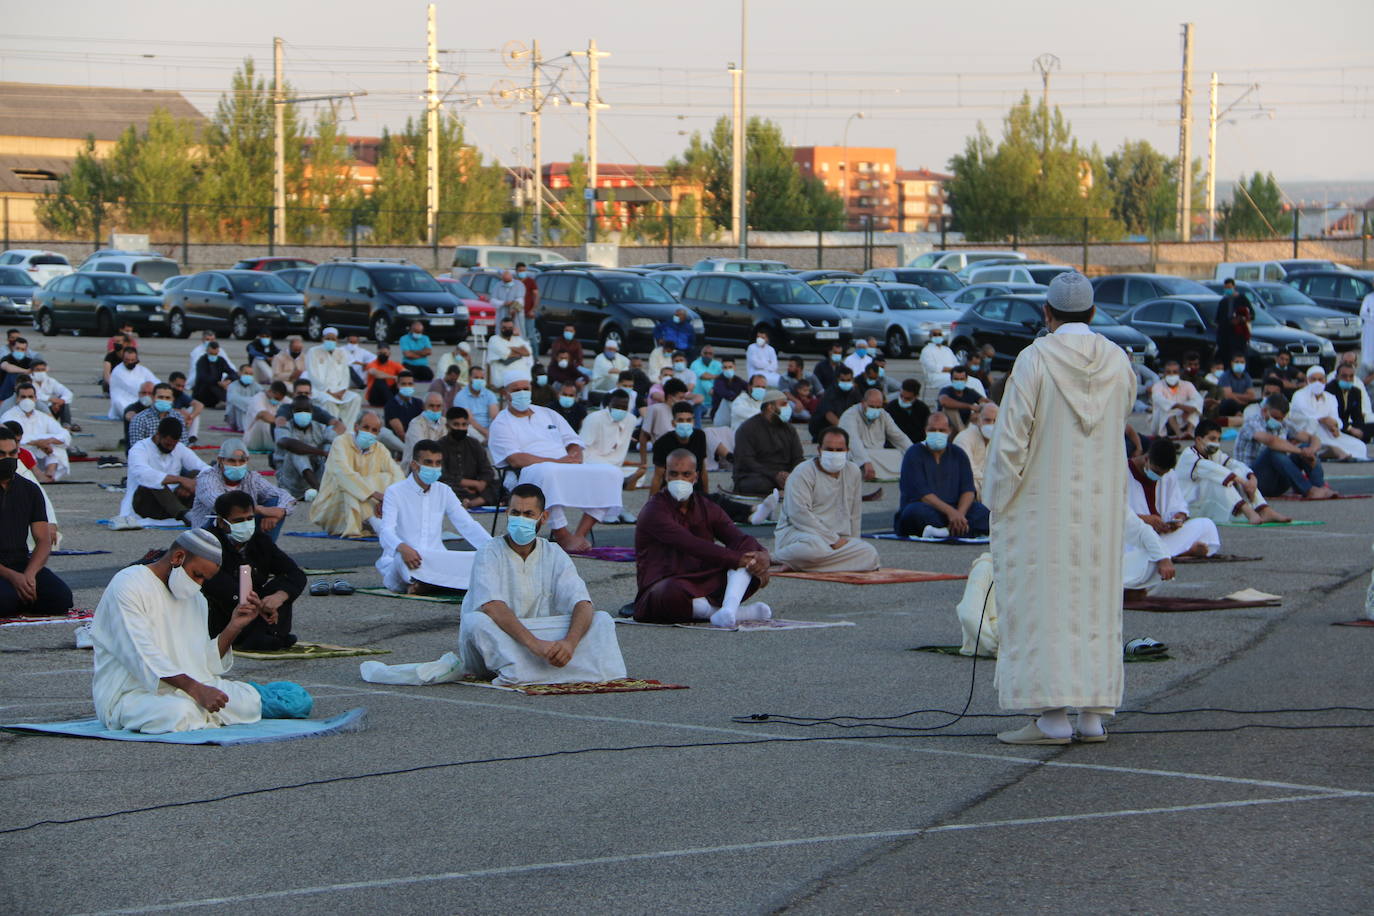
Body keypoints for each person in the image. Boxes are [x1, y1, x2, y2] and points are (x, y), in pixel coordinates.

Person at [981, 270, 1138, 745]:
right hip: (1099, 509)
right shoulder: (1117, 360)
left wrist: (997, 500)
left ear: (1046, 314)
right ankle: (1092, 714)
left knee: (1044, 607)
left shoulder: (1034, 359)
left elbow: (1010, 441)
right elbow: (1122, 416)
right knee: (1094, 607)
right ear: (1092, 314)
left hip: (1042, 509)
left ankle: (1051, 717)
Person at [90, 529, 294, 733]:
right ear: (178, 557)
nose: (199, 584)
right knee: (180, 712)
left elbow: (202, 662)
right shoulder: (129, 585)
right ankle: (200, 713)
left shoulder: (196, 598)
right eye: (197, 575)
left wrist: (234, 626)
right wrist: (197, 690)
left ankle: (201, 713)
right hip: (132, 694)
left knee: (248, 703)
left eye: (205, 579)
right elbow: (139, 653)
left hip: (188, 688)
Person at [458, 484, 626, 685]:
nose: (521, 519)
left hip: (538, 636)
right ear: (507, 513)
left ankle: (531, 671)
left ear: (543, 517)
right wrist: (535, 645)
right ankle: (546, 671)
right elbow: (492, 606)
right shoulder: (489, 551)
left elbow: (582, 602)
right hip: (503, 636)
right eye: (516, 513)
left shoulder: (553, 552)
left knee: (602, 620)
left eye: (529, 514)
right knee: (475, 622)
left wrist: (570, 644)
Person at [633, 449, 771, 627]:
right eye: (674, 474)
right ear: (666, 476)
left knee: (749, 563)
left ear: (695, 477)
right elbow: (691, 544)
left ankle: (728, 609)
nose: (679, 480)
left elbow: (738, 538)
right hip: (668, 582)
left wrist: (761, 556)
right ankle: (738, 613)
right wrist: (740, 560)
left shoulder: (706, 506)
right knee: (668, 593)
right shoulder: (654, 510)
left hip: (704, 578)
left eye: (686, 474)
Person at [487, 376, 624, 553]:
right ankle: (562, 535)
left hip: (565, 465)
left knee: (612, 473)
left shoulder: (547, 413)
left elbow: (573, 440)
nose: (522, 393)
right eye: (516, 390)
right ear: (505, 394)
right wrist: (557, 462)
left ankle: (580, 534)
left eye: (525, 389)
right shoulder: (501, 422)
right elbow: (515, 459)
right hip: (526, 472)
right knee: (548, 472)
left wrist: (575, 454)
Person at [375, 438, 493, 594]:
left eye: (438, 463)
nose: (434, 467)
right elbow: (386, 531)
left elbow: (467, 525)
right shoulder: (395, 492)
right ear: (414, 465)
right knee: (400, 562)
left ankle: (428, 584)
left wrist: (494, 549)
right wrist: (403, 548)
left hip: (436, 558)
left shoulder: (444, 490)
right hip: (406, 557)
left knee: (475, 560)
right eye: (428, 462)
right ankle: (433, 584)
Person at [201, 490, 304, 651]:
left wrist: (279, 597)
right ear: (222, 523)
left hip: (256, 604)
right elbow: (217, 585)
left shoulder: (259, 540)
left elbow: (294, 573)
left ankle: (268, 634)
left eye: (249, 519)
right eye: (238, 521)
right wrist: (258, 605)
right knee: (230, 599)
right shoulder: (208, 543)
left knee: (281, 586)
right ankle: (258, 636)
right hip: (225, 611)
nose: (246, 524)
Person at [774, 427, 880, 573]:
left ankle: (799, 564)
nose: (834, 454)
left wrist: (853, 542)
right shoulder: (803, 472)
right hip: (801, 534)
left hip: (838, 538)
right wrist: (832, 540)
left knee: (869, 554)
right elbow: (799, 514)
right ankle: (774, 558)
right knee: (815, 548)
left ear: (847, 451)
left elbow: (855, 514)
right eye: (829, 449)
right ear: (819, 450)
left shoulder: (853, 471)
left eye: (839, 450)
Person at [0, 426, 71, 617]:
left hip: (20, 562)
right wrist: (13, 577)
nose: (7, 459)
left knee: (61, 599)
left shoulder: (29, 489)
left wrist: (29, 575)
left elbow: (43, 539)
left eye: (12, 453)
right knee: (5, 602)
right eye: (2, 454)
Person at [308, 411, 403, 538]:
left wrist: (387, 498)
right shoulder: (340, 442)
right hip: (334, 506)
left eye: (374, 430)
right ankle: (376, 524)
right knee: (350, 487)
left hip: (374, 505)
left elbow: (398, 474)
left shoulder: (379, 448)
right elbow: (343, 474)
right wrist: (374, 494)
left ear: (378, 434)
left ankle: (374, 521)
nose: (369, 432)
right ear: (356, 427)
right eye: (366, 427)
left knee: (389, 478)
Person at [895, 412, 990, 539]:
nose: (937, 433)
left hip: (956, 508)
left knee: (983, 513)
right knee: (913, 513)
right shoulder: (913, 454)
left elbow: (968, 490)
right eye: (932, 430)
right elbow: (923, 495)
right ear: (925, 431)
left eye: (942, 430)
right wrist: (951, 513)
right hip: (929, 508)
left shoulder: (958, 454)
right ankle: (960, 530)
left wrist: (959, 515)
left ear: (949, 431)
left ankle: (945, 531)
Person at [1176, 419, 1288, 525]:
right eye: (1212, 439)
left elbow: (1234, 464)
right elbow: (1214, 470)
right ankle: (1248, 511)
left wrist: (1252, 479)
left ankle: (1264, 509)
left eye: (1218, 439)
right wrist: (1244, 483)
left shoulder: (1213, 453)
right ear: (1199, 440)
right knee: (1218, 479)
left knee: (1238, 470)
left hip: (1208, 504)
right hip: (1191, 509)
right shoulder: (1188, 456)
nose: (1216, 443)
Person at [1127, 440, 1221, 559]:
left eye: (1163, 474)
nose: (1159, 477)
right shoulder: (1123, 472)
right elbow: (1113, 515)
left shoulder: (1168, 474)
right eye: (1157, 472)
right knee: (1131, 549)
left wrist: (1177, 519)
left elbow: (1178, 505)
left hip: (1161, 536)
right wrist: (1146, 520)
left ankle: (1167, 553)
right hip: (1134, 538)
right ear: (1146, 459)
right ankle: (1180, 552)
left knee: (1207, 525)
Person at [1234, 393, 1334, 499]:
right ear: (1264, 411)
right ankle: (1309, 491)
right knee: (1273, 452)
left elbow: (1313, 438)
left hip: (1276, 481)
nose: (1278, 421)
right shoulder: (1252, 422)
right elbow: (1271, 441)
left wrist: (1310, 450)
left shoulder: (1283, 423)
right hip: (1253, 480)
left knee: (1306, 446)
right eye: (1275, 417)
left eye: (1281, 418)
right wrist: (1301, 451)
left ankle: (1319, 486)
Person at [188, 438, 295, 534]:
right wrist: (260, 509)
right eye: (232, 461)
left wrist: (279, 513)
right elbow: (220, 504)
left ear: (247, 461)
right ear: (220, 460)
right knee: (221, 515)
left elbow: (286, 497)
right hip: (211, 531)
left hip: (245, 528)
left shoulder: (251, 477)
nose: (237, 465)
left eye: (241, 461)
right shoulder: (207, 478)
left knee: (276, 501)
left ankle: (263, 552)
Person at [119, 419, 210, 523]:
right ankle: (184, 515)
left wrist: (193, 482)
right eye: (167, 444)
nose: (171, 448)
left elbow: (205, 468)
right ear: (158, 435)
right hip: (146, 504)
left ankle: (198, 512)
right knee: (154, 482)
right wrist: (181, 480)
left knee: (197, 474)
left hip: (174, 501)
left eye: (173, 445)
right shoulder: (139, 449)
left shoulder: (179, 448)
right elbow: (144, 475)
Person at [1290, 365, 1368, 460]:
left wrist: (1335, 425)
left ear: (1325, 381)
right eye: (1313, 379)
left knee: (1360, 446)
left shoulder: (1330, 397)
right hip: (1309, 433)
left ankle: (1329, 452)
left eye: (1320, 379)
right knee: (1313, 426)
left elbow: (1335, 418)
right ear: (1307, 380)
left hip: (1329, 433)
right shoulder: (1299, 395)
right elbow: (1307, 415)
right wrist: (1324, 419)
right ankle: (1329, 451)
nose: (1317, 383)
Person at [733, 389, 802, 497]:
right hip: (757, 475)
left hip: (786, 475)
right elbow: (747, 461)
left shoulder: (789, 429)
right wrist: (774, 475)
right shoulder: (747, 428)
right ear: (770, 407)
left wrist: (790, 475)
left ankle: (784, 489)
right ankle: (779, 492)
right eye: (783, 404)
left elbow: (798, 458)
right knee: (758, 484)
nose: (788, 408)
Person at [839, 387, 913, 482]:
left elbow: (899, 437)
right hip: (856, 455)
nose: (875, 410)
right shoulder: (849, 415)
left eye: (878, 407)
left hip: (878, 454)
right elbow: (853, 442)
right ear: (863, 403)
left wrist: (914, 453)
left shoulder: (883, 414)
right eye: (872, 406)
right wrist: (865, 461)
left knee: (901, 454)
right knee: (862, 458)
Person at [2, 381, 71, 481]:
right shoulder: (9, 416)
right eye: (23, 397)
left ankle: (49, 475)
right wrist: (38, 443)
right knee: (23, 451)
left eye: (30, 397)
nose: (27, 400)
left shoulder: (42, 416)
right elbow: (9, 437)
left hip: (43, 450)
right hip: (23, 449)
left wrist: (49, 441)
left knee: (57, 448)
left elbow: (64, 434)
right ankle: (37, 477)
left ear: (35, 398)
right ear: (17, 399)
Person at [581, 389, 646, 494]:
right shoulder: (594, 418)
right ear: (609, 405)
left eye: (624, 407)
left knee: (639, 474)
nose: (620, 410)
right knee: (609, 471)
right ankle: (622, 481)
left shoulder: (631, 420)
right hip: (592, 460)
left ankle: (619, 480)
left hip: (615, 464)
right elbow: (583, 448)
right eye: (616, 406)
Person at [273, 395, 336, 501]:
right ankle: (319, 491)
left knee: (330, 447)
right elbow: (287, 443)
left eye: (306, 410)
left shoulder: (319, 427)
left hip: (315, 473)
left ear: (312, 411)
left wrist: (326, 452)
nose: (303, 413)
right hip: (290, 481)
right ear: (293, 412)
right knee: (295, 451)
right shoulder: (285, 426)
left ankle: (324, 488)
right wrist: (321, 452)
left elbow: (334, 439)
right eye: (299, 410)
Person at [438, 407, 498, 509]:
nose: (460, 428)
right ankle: (478, 501)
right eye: (456, 424)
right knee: (441, 487)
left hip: (477, 489)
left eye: (464, 425)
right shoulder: (439, 446)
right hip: (454, 487)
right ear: (448, 426)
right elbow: (442, 475)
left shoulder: (474, 444)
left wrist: (481, 484)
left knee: (499, 484)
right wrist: (473, 484)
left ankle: (472, 503)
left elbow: (487, 471)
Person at [306, 328, 363, 427]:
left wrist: (342, 390)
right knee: (328, 401)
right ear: (322, 339)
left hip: (339, 391)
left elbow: (346, 374)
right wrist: (328, 391)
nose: (330, 341)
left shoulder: (341, 352)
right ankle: (333, 430)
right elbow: (312, 374)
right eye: (328, 338)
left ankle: (348, 429)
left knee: (355, 398)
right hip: (320, 390)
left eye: (333, 339)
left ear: (337, 340)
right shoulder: (313, 351)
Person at [650, 400, 709, 494]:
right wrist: (651, 504)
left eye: (689, 420)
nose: (685, 423)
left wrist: (706, 498)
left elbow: (702, 470)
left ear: (693, 422)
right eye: (680, 420)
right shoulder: (662, 443)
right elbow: (658, 477)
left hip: (695, 488)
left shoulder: (700, 437)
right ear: (673, 423)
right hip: (671, 490)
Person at [952, 401, 998, 498]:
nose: (992, 424)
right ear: (978, 420)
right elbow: (968, 469)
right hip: (970, 485)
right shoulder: (964, 438)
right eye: (987, 420)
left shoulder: (999, 440)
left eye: (995, 421)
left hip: (989, 484)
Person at [1150, 359, 1204, 437]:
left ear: (1179, 373)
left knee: (1194, 406)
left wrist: (1189, 408)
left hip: (1182, 419)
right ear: (1164, 373)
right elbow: (1159, 400)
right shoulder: (1158, 386)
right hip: (1163, 423)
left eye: (1174, 372)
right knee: (1166, 408)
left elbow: (1198, 399)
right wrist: (1181, 406)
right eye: (1168, 372)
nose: (1171, 375)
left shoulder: (1187, 385)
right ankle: (1179, 434)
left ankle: (1189, 432)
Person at [808, 366, 860, 442]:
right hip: (823, 429)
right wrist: (845, 430)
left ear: (852, 380)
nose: (846, 382)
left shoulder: (854, 393)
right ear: (837, 380)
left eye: (848, 380)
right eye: (843, 380)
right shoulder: (830, 393)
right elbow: (829, 415)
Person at [107, 346, 158, 420]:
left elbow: (156, 382)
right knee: (120, 404)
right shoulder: (118, 371)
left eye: (132, 360)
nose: (130, 362)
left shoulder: (141, 369)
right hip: (123, 402)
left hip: (141, 399)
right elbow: (133, 387)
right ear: (123, 359)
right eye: (127, 360)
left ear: (137, 359)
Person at [381, 370, 423, 456]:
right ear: (398, 385)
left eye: (410, 384)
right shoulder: (391, 404)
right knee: (383, 433)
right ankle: (411, 452)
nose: (407, 387)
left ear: (414, 385)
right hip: (399, 441)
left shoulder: (419, 403)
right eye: (404, 384)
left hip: (415, 439)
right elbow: (400, 432)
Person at [453, 365, 499, 443]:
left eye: (481, 378)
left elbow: (494, 416)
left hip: (489, 429)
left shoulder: (489, 394)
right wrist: (486, 433)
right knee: (465, 428)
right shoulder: (460, 396)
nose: (479, 380)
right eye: (476, 377)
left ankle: (485, 441)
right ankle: (482, 442)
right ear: (469, 378)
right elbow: (470, 420)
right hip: (472, 428)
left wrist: (492, 432)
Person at [1329, 361, 1374, 442]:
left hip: (1349, 425)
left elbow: (1357, 417)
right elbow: (1331, 416)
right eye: (1344, 376)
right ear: (1336, 377)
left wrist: (1359, 430)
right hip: (1334, 425)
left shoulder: (1355, 392)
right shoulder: (1329, 390)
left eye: (1351, 376)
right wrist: (1350, 429)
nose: (1348, 379)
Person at [486, 317, 533, 390]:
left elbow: (527, 352)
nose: (507, 330)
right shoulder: (494, 339)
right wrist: (519, 352)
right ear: (500, 328)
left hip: (521, 374)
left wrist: (512, 348)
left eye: (510, 328)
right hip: (503, 376)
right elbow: (506, 355)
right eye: (504, 327)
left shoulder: (517, 339)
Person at [403, 391, 447, 464]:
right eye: (431, 406)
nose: (435, 409)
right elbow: (423, 449)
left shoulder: (445, 422)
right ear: (423, 407)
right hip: (416, 466)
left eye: (438, 406)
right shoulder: (415, 423)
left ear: (442, 407)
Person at [29, 358, 74, 430]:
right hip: (35, 411)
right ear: (31, 371)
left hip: (51, 410)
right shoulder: (28, 381)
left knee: (63, 400)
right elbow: (35, 396)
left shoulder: (50, 381)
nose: (40, 372)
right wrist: (51, 400)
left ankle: (66, 426)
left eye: (42, 370)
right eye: (37, 370)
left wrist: (60, 402)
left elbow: (67, 392)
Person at [191, 340, 237, 409]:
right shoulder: (202, 361)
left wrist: (228, 381)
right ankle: (223, 401)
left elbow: (233, 373)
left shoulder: (220, 360)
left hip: (217, 387)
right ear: (207, 351)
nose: (213, 356)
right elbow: (203, 377)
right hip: (203, 391)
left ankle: (227, 401)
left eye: (215, 354)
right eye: (211, 354)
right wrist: (218, 383)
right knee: (212, 386)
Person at [937, 365, 984, 432]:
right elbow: (944, 401)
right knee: (949, 409)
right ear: (951, 379)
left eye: (962, 379)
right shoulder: (946, 390)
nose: (959, 381)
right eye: (956, 379)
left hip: (965, 424)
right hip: (948, 428)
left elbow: (984, 401)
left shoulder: (970, 392)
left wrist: (982, 406)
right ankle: (962, 434)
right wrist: (969, 406)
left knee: (977, 414)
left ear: (966, 379)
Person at [245, 381, 288, 452]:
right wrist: (281, 422)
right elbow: (262, 414)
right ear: (270, 391)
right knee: (264, 422)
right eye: (276, 398)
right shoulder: (258, 398)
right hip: (253, 439)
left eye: (279, 399)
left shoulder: (284, 399)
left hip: (270, 438)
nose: (277, 401)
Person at [887, 379, 930, 444]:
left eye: (908, 398)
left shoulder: (923, 409)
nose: (903, 400)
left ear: (916, 396)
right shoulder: (891, 407)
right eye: (901, 396)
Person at [547, 325, 584, 391]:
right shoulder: (557, 342)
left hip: (571, 367)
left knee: (585, 377)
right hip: (560, 371)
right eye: (566, 330)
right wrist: (574, 382)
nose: (568, 332)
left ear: (574, 332)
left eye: (571, 331)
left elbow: (580, 359)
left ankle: (583, 399)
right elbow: (559, 378)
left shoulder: (576, 343)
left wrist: (583, 382)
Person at [920, 330, 958, 395]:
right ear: (930, 336)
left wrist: (955, 370)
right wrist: (951, 370)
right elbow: (931, 367)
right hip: (935, 377)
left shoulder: (947, 350)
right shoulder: (926, 350)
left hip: (952, 374)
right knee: (955, 381)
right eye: (935, 335)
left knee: (972, 380)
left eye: (939, 334)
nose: (937, 336)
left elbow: (956, 364)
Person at [224, 363, 260, 431]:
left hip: (250, 412)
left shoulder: (255, 385)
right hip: (234, 416)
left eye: (251, 374)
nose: (248, 376)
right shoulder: (233, 386)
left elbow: (263, 395)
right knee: (240, 405)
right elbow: (234, 399)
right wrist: (252, 402)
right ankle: (243, 427)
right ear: (239, 373)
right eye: (246, 373)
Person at [690, 344, 722, 417]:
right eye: (705, 353)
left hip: (713, 400)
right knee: (704, 381)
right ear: (701, 354)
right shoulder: (695, 364)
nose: (707, 355)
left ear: (713, 355)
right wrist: (717, 376)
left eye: (710, 353)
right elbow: (703, 376)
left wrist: (712, 377)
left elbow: (723, 377)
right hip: (699, 401)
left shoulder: (718, 364)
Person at [515, 262, 540, 344]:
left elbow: (536, 295)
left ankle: (534, 356)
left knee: (531, 335)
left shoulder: (530, 281)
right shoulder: (514, 282)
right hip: (517, 313)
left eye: (524, 270)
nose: (522, 272)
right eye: (520, 270)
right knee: (519, 335)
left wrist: (533, 310)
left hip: (528, 313)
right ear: (516, 271)